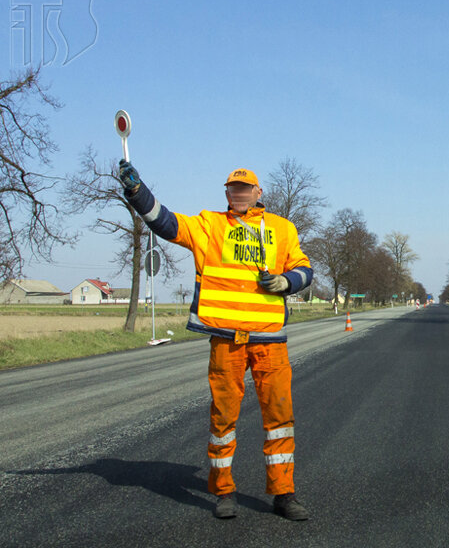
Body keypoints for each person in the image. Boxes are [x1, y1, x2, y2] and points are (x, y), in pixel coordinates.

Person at [119, 162, 313, 521]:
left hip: (270, 341)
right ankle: (223, 490)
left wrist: (287, 282)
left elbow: (304, 268)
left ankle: (284, 493)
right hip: (227, 341)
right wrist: (136, 191)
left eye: (245, 188)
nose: (238, 193)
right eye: (232, 188)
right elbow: (165, 222)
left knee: (280, 417)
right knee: (223, 417)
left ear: (258, 193)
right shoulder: (209, 225)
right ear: (227, 193)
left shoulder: (282, 230)